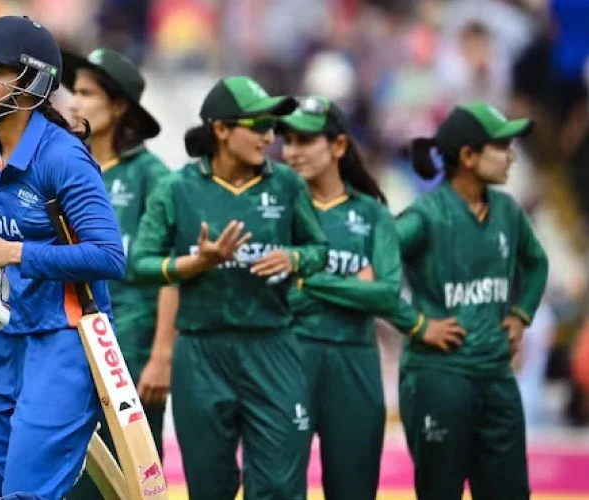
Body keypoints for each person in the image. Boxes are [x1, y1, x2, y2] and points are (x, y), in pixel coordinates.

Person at [0, 16, 126, 500]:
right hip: (7, 338)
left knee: (26, 492)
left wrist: (16, 253)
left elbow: (110, 256)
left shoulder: (63, 157)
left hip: (63, 341)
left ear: (32, 82)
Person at [129, 76, 327, 500]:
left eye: (272, 127)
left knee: (279, 484)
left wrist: (293, 259)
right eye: (258, 126)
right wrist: (196, 263)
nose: (269, 137)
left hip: (272, 345)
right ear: (221, 129)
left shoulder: (287, 184)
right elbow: (139, 263)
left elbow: (319, 250)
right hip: (201, 351)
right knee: (210, 484)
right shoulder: (177, 188)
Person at [390, 102, 549, 500]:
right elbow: (375, 267)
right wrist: (417, 324)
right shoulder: (425, 216)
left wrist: (521, 314)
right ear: (467, 156)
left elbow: (536, 263)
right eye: (502, 146)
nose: (512, 156)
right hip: (439, 378)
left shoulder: (508, 212)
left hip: (497, 377)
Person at [60, 48, 177, 500]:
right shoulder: (64, 165)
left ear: (120, 106)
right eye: (75, 92)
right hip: (69, 347)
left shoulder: (153, 176)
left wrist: (161, 357)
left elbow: (170, 271)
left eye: (87, 93)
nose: (74, 103)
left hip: (130, 351)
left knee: (134, 481)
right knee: (71, 480)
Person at [278, 96, 400, 499]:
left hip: (355, 362)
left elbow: (386, 295)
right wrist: (353, 286)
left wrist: (307, 280)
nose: (292, 152)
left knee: (354, 489)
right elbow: (273, 296)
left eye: (305, 140)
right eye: (287, 141)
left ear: (339, 145)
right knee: (278, 486)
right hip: (288, 358)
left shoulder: (372, 214)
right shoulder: (275, 209)